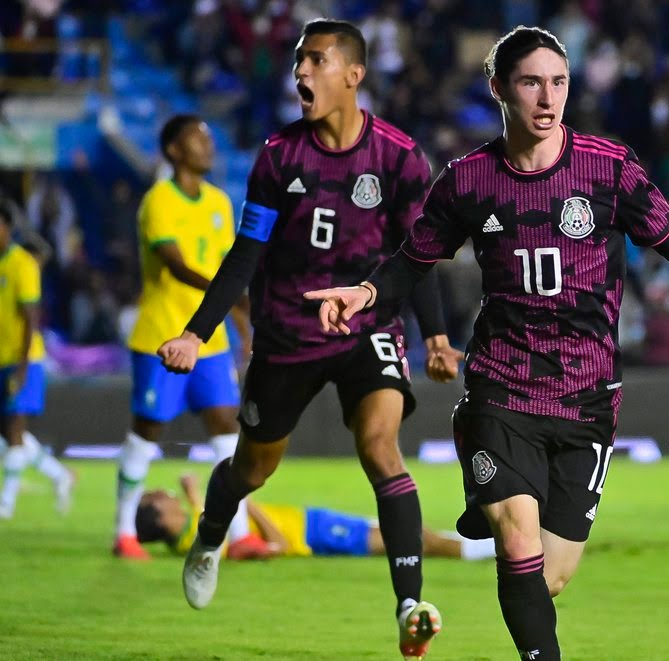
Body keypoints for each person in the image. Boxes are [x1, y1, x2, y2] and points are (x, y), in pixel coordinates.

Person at [303, 26, 669, 660]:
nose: (548, 97)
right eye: (531, 82)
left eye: (559, 81)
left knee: (548, 576)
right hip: (501, 389)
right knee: (518, 541)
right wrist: (363, 294)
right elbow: (412, 261)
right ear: (500, 88)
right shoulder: (468, 180)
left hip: (586, 400)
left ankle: (496, 549)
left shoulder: (609, 169)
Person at [157, 19, 461, 660]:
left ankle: (409, 606)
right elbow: (246, 254)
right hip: (288, 332)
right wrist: (194, 332)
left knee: (382, 449)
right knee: (252, 468)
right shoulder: (278, 157)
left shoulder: (401, 157)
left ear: (354, 74)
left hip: (365, 327)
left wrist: (435, 336)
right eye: (299, 63)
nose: (300, 73)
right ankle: (211, 535)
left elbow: (418, 253)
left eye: (315, 61)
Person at [113, 115, 261, 560]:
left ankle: (240, 535)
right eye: (197, 138)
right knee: (148, 431)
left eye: (209, 138)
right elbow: (177, 266)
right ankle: (124, 533)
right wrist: (230, 296)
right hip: (162, 336)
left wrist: (241, 325)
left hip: (210, 342)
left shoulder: (218, 202)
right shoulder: (158, 200)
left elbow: (228, 269)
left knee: (226, 430)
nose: (207, 145)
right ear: (174, 150)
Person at [134, 473, 496, 562]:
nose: (167, 496)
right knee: (414, 539)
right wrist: (248, 503)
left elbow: (206, 513)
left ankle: (484, 545)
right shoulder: (195, 541)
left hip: (314, 523)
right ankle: (489, 552)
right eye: (159, 499)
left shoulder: (189, 540)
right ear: (160, 518)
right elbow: (272, 545)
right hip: (315, 536)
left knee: (410, 531)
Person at [0, 204, 75, 519]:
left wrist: (21, 367)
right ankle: (60, 475)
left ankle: (5, 505)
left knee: (15, 432)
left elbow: (31, 318)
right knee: (9, 435)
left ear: (8, 228)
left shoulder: (22, 264)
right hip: (2, 358)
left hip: (23, 359)